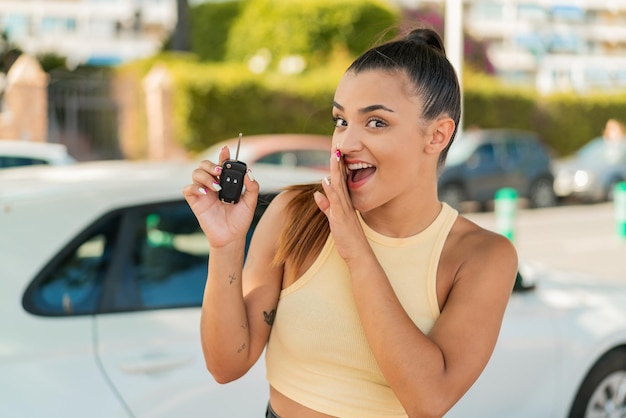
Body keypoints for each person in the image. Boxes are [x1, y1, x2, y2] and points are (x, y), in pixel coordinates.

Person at [183, 26, 518, 418]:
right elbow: (226, 366)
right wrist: (224, 247)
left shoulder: (482, 256)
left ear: (437, 135)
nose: (345, 144)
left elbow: (428, 400)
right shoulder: (297, 212)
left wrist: (355, 248)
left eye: (376, 122)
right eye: (340, 121)